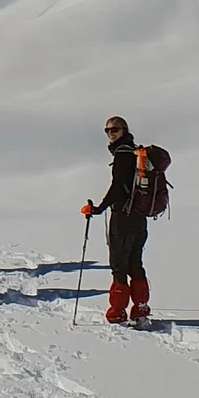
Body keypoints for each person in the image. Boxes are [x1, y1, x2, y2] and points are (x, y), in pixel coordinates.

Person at [81, 115, 150, 323]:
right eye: (108, 130)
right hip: (139, 216)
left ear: (124, 130)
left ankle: (117, 311)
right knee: (135, 262)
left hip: (122, 216)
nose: (111, 134)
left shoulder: (123, 154)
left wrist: (99, 208)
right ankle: (140, 307)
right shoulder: (137, 152)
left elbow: (118, 187)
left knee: (119, 264)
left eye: (115, 130)